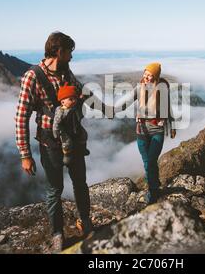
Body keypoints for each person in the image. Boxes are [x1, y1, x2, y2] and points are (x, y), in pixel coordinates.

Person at [15, 31, 110, 252]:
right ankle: (58, 233)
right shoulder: (33, 76)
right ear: (59, 51)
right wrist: (25, 154)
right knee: (54, 189)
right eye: (69, 52)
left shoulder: (66, 71)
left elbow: (78, 90)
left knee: (80, 183)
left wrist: (96, 102)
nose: (71, 57)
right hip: (49, 142)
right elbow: (21, 116)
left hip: (74, 141)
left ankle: (85, 222)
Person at [116, 62, 176, 204]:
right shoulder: (140, 87)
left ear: (156, 76)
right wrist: (114, 109)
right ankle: (154, 186)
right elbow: (128, 101)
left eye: (150, 75)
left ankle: (153, 191)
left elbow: (168, 109)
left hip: (157, 130)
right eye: (145, 74)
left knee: (150, 161)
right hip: (141, 130)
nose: (147, 77)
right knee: (147, 162)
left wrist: (172, 126)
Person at [52, 82, 89, 168]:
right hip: (64, 130)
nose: (74, 101)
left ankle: (83, 148)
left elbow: (80, 101)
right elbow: (56, 122)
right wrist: (56, 132)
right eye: (71, 99)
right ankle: (67, 154)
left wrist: (82, 97)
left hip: (75, 127)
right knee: (67, 142)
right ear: (63, 101)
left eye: (74, 99)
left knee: (84, 135)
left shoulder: (74, 106)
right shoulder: (60, 111)